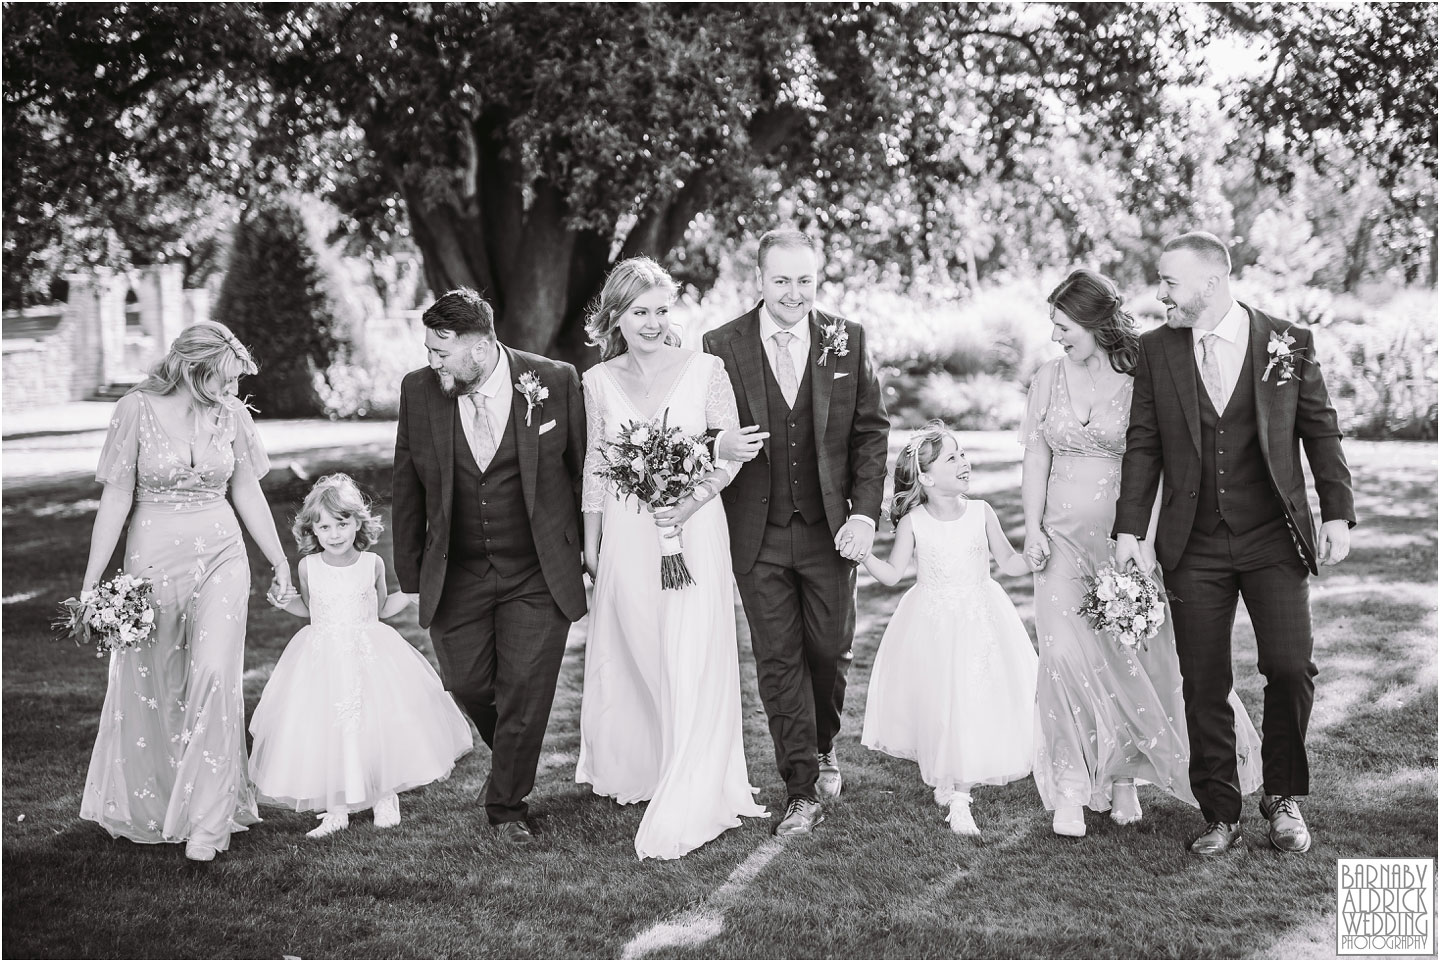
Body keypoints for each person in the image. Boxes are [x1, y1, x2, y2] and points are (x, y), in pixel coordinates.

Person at [1113, 234, 1354, 856]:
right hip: (1193, 543)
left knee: (1290, 666)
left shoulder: (1286, 342)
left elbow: (1320, 431)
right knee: (1204, 682)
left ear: (1212, 282)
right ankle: (1219, 810)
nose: (1159, 293)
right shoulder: (1155, 350)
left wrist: (1338, 514)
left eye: (1169, 281)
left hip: (1272, 537)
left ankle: (1282, 797)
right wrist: (1129, 529)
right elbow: (1143, 444)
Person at [1022, 268, 1264, 840]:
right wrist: (1031, 527)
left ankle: (1125, 777)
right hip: (1060, 543)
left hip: (1128, 544)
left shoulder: (1140, 379)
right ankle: (1073, 789)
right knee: (1062, 660)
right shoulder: (1046, 378)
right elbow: (1035, 458)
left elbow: (1159, 464)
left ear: (1095, 322)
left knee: (1133, 663)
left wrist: (1147, 543)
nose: (1056, 336)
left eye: (1063, 325)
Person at [78, 321, 292, 862]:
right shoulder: (134, 410)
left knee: (217, 676)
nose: (232, 391)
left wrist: (279, 559)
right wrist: (90, 581)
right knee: (159, 681)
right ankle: (156, 805)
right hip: (152, 561)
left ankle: (209, 821)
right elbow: (116, 498)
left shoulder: (234, 416)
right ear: (194, 370)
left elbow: (245, 488)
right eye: (224, 380)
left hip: (223, 555)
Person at [575, 256, 767, 860]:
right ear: (616, 317)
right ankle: (652, 764)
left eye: (662, 310)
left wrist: (688, 505)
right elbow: (596, 466)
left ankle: (697, 773)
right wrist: (591, 540)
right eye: (640, 312)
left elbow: (731, 454)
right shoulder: (597, 381)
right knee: (639, 645)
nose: (654, 322)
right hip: (630, 537)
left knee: (692, 646)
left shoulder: (707, 369)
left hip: (694, 528)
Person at [703, 228, 890, 836]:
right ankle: (800, 789)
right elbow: (695, 429)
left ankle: (823, 742)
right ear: (759, 278)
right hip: (755, 532)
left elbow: (870, 434)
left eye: (804, 280)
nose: (793, 293)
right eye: (781, 279)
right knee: (777, 658)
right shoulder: (719, 345)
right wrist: (715, 444)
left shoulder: (847, 338)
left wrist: (863, 514)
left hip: (830, 530)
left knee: (829, 652)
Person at [391, 287, 587, 848]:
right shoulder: (419, 391)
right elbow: (407, 481)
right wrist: (411, 575)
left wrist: (589, 549)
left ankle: (506, 808)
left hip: (537, 570)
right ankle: (515, 761)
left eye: (441, 352)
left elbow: (581, 472)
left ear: (480, 347)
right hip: (457, 571)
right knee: (469, 683)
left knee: (524, 688)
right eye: (429, 350)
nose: (432, 362)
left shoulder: (554, 381)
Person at [250, 474, 473, 838]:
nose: (334, 534)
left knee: (375, 725)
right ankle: (336, 807)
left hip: (369, 653)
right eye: (324, 527)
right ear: (312, 531)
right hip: (323, 657)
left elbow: (383, 607)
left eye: (342, 523)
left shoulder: (372, 564)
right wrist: (284, 601)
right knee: (328, 729)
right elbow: (310, 607)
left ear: (357, 522)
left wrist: (416, 593)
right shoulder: (309, 568)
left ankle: (385, 796)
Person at [860, 423, 1038, 837]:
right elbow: (890, 575)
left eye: (962, 455)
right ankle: (947, 774)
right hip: (933, 621)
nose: (964, 462)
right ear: (926, 476)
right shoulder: (915, 523)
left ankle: (961, 800)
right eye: (952, 458)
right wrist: (863, 554)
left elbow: (1010, 564)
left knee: (971, 699)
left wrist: (1039, 554)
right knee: (943, 701)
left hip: (980, 616)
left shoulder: (982, 512)